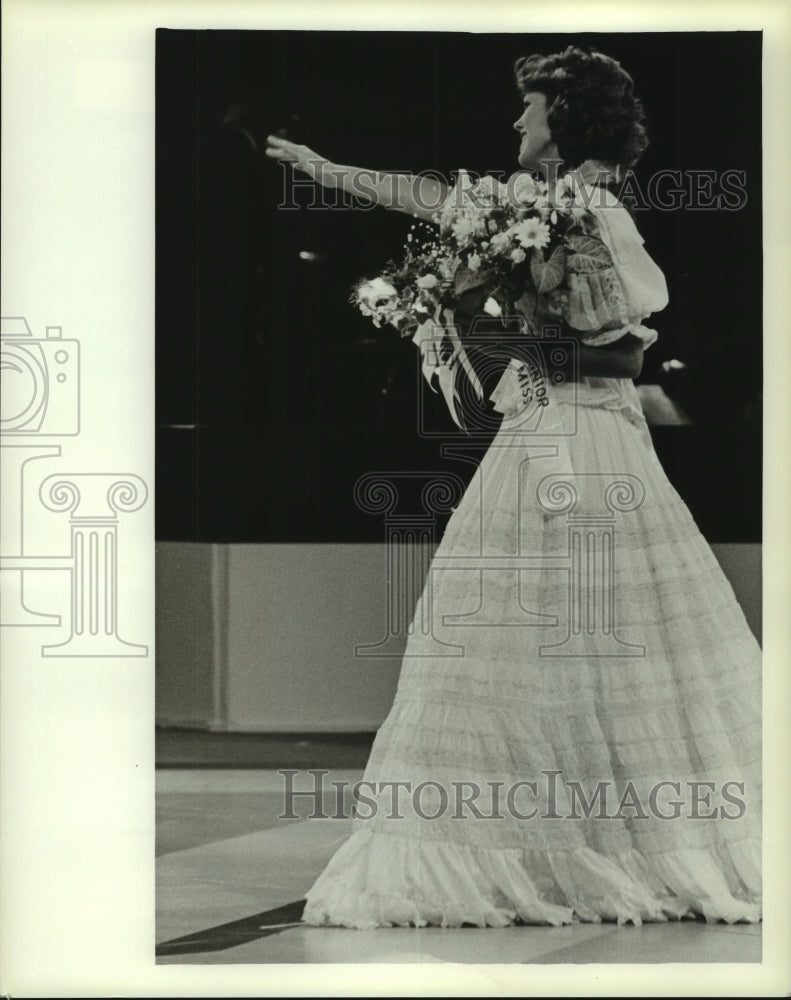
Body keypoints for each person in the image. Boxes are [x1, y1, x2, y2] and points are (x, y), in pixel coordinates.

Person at [265, 45, 761, 928]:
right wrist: (324, 171)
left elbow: (628, 351)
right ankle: (534, 847)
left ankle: (619, 847)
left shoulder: (588, 210)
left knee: (605, 635)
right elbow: (420, 197)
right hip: (534, 431)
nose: (514, 125)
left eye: (528, 111)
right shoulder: (516, 205)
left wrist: (524, 349)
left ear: (564, 121)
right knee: (503, 633)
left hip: (591, 440)